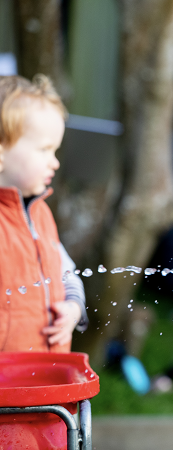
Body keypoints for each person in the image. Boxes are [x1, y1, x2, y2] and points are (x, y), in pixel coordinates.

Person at [0, 74, 88, 353]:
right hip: (8, 385)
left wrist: (74, 308)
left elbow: (66, 273)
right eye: (45, 150)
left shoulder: (40, 215)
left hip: (47, 376)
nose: (55, 162)